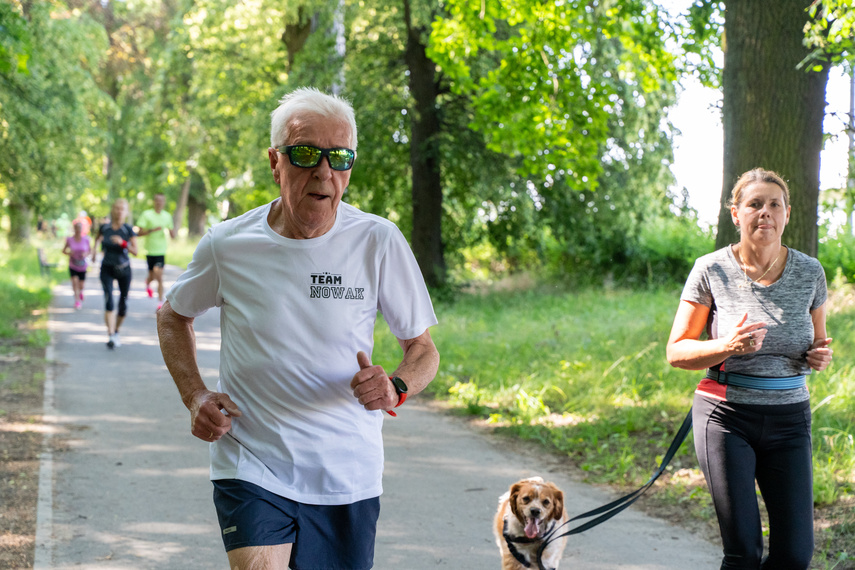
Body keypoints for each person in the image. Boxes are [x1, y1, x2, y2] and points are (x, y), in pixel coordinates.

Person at [157, 87, 440, 570]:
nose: (324, 171)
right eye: (306, 153)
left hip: (346, 472)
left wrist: (394, 387)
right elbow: (172, 314)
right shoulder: (229, 245)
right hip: (251, 463)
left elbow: (422, 349)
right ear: (276, 162)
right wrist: (196, 395)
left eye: (340, 156)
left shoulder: (377, 241)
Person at [666, 168, 833, 570]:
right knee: (743, 552)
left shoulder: (810, 272)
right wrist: (727, 345)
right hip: (726, 417)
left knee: (795, 554)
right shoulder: (711, 269)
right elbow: (676, 351)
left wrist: (819, 356)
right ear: (736, 213)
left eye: (774, 204)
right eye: (754, 204)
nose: (765, 213)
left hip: (791, 418)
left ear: (787, 214)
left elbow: (819, 342)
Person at [92, 199, 138, 349]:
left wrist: (122, 243)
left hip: (124, 269)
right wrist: (94, 252)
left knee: (123, 304)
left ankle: (116, 331)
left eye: (122, 209)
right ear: (112, 210)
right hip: (107, 268)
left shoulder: (128, 230)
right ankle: (111, 335)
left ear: (126, 212)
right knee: (109, 300)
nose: (119, 211)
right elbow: (97, 239)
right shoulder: (104, 227)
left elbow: (136, 251)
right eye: (117, 208)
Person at [135, 193, 176, 309]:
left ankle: (160, 303)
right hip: (149, 250)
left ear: (164, 202)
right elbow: (139, 233)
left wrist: (173, 233)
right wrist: (152, 230)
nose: (159, 203)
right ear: (154, 202)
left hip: (161, 251)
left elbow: (172, 231)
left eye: (161, 201)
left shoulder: (167, 216)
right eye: (157, 200)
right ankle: (147, 282)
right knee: (152, 275)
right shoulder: (146, 215)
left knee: (159, 276)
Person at [61, 221, 91, 310]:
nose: (78, 230)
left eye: (80, 228)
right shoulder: (69, 240)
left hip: (82, 265)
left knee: (81, 285)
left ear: (82, 229)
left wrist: (85, 254)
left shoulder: (86, 239)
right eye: (76, 228)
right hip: (73, 264)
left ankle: (81, 291)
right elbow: (63, 251)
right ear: (74, 229)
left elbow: (90, 250)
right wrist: (70, 253)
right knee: (74, 282)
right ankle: (77, 301)